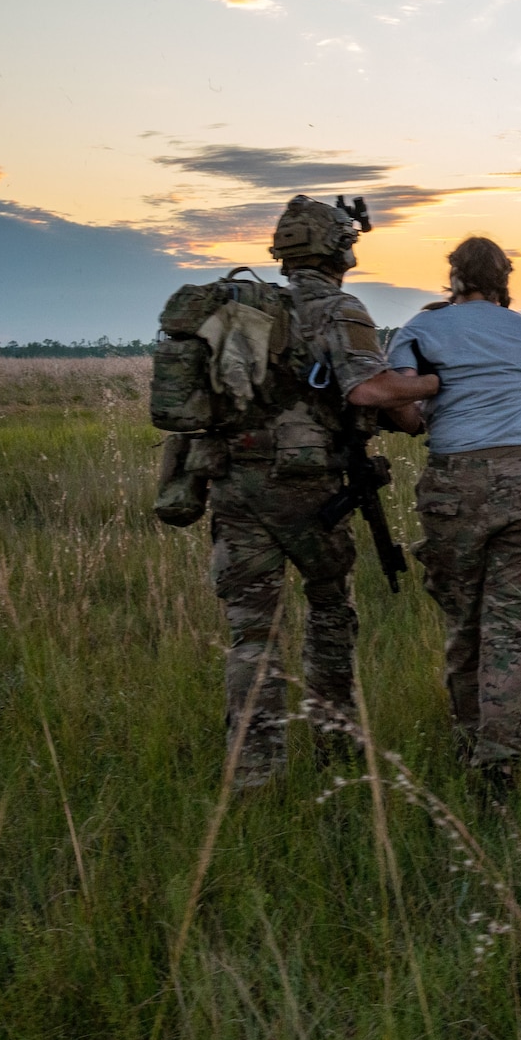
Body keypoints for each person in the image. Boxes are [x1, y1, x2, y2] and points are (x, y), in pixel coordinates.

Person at [207, 195, 434, 787]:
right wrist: (428, 390)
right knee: (330, 612)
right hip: (308, 492)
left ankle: (256, 771)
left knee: (252, 634)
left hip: (235, 486)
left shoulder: (242, 311)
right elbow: (370, 392)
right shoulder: (340, 310)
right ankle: (337, 750)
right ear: (341, 250)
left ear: (282, 253)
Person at [385, 237, 521, 790]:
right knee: (513, 626)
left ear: (454, 278)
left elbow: (401, 404)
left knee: (465, 620)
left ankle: (470, 740)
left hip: (454, 481)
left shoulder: (418, 330)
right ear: (504, 279)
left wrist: (425, 418)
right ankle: (500, 761)